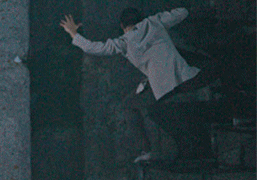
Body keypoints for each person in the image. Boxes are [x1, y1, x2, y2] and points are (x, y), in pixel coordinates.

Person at [60, 8, 212, 161]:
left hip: (163, 89)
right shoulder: (154, 22)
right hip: (186, 77)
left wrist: (73, 33)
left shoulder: (123, 42)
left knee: (129, 106)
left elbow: (95, 48)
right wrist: (167, 14)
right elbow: (182, 13)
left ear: (122, 25)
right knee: (180, 53)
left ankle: (146, 150)